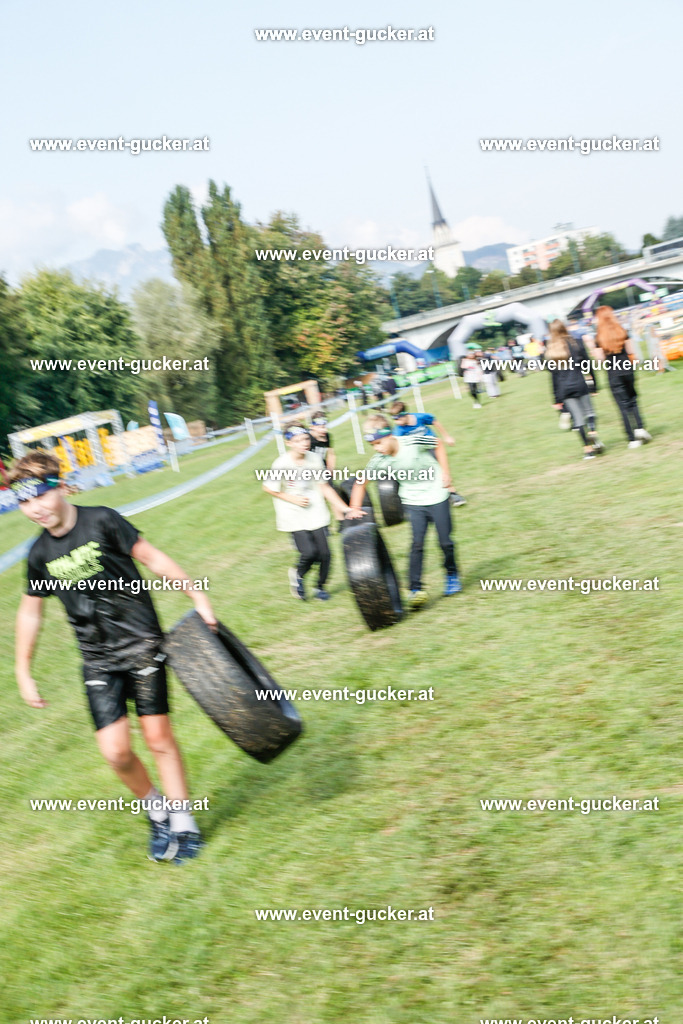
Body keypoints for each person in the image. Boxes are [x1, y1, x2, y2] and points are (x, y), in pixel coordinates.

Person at [11, 450, 217, 864]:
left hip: (142, 644)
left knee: (159, 738)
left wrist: (196, 593)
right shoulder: (37, 555)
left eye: (41, 496)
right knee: (115, 751)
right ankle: (156, 809)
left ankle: (183, 821)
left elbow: (153, 557)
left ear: (62, 487)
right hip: (97, 658)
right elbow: (30, 611)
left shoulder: (103, 519)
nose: (35, 508)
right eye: (24, 501)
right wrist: (23, 670)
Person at [347, 414, 461, 605]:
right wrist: (354, 508)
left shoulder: (412, 441)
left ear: (390, 435)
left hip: (437, 495)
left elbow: (438, 444)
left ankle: (452, 575)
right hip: (413, 502)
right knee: (416, 544)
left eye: (379, 443)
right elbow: (360, 482)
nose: (378, 448)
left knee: (445, 542)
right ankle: (415, 588)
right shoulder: (379, 460)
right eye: (373, 445)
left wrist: (446, 473)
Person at [262, 423, 349, 600]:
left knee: (325, 554)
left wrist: (345, 508)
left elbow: (325, 487)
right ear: (289, 443)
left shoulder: (314, 459)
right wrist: (292, 498)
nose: (304, 443)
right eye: (298, 440)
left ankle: (320, 588)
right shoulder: (281, 464)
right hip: (292, 513)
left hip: (315, 509)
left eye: (306, 438)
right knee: (309, 552)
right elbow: (268, 488)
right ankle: (298, 574)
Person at [593, 305, 652, 448]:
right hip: (627, 369)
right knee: (633, 399)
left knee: (622, 406)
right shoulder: (622, 330)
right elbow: (632, 352)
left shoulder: (599, 337)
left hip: (613, 372)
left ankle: (632, 439)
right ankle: (640, 428)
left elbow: (600, 359)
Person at [389, 400, 466, 507]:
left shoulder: (420, 417)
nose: (397, 422)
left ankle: (453, 494)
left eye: (398, 418)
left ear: (405, 414)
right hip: (419, 453)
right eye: (394, 419)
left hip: (433, 447)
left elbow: (434, 421)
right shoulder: (399, 430)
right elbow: (396, 444)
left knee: (441, 471)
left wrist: (446, 436)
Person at [545, 319, 604, 459]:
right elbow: (587, 365)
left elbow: (553, 377)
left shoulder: (551, 349)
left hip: (564, 389)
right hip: (580, 383)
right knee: (589, 412)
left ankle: (587, 450)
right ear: (564, 328)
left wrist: (556, 399)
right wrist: (594, 385)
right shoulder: (575, 342)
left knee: (577, 419)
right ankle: (593, 432)